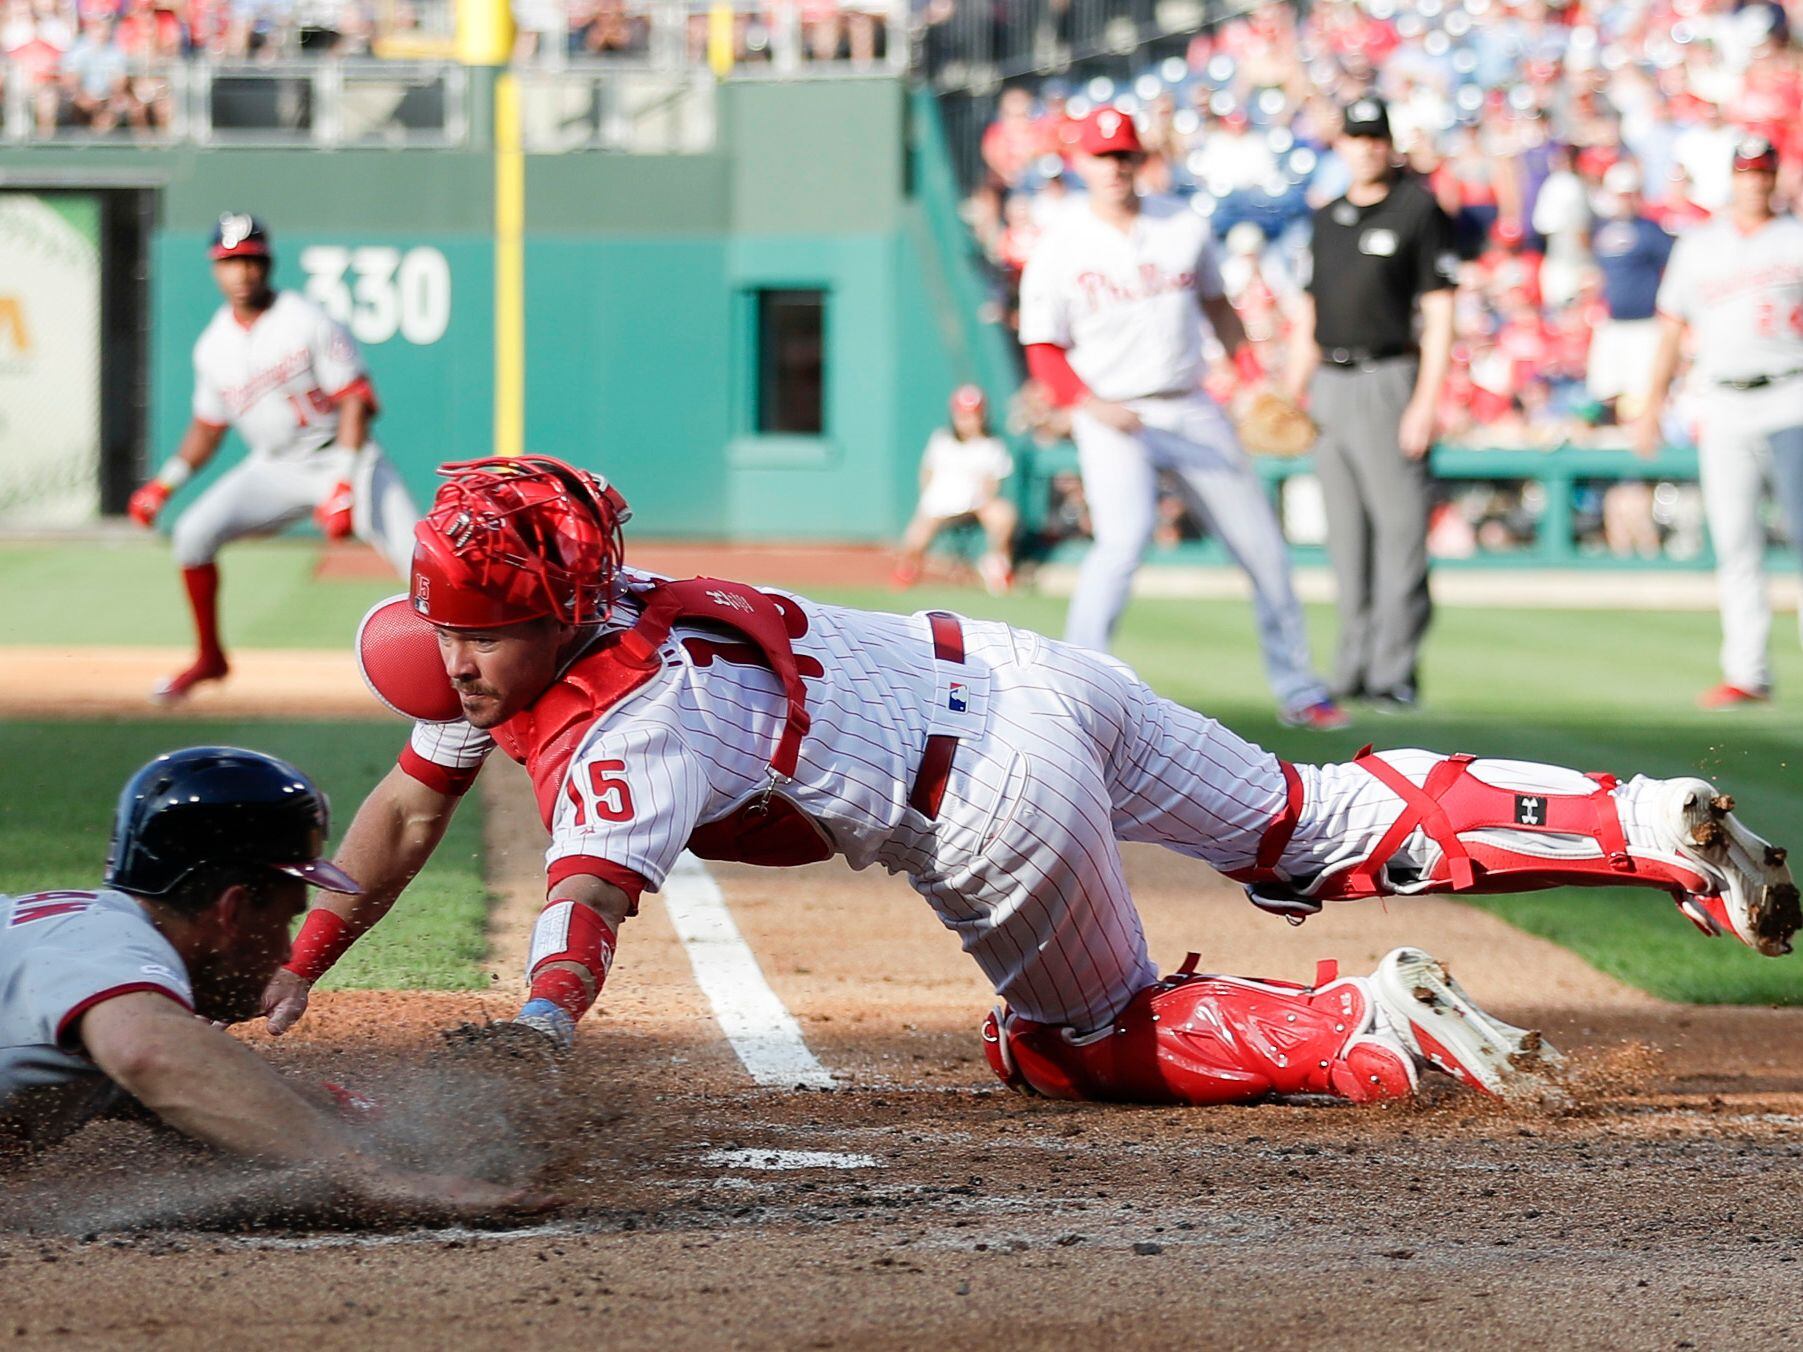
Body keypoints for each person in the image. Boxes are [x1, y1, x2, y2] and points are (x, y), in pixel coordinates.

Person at [261, 455, 1798, 1111]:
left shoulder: (621, 723)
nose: (457, 660)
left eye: (485, 635)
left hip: (987, 795)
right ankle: (1638, 818)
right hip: (1024, 670)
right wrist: (306, 958)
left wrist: (539, 1027)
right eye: (451, 627)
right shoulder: (578, 599)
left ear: (556, 614)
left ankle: (1363, 1024)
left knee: (1065, 1043)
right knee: (1305, 819)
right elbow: (421, 789)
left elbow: (587, 892)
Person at [0, 745, 549, 1216]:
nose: (288, 949)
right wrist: (370, 1178)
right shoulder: (110, 949)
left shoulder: (87, 948)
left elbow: (228, 1093)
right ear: (233, 909)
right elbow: (155, 1054)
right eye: (285, 917)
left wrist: (413, 1137)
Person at [1017, 108, 1347, 732]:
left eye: (1124, 155)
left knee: (1263, 548)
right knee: (1121, 543)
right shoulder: (1060, 243)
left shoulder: (1182, 224)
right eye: (1103, 156)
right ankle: (1073, 687)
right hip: (1112, 411)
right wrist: (1088, 404)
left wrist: (1249, 377)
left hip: (1190, 402)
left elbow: (1218, 307)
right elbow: (1041, 345)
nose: (1115, 166)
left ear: (1141, 161)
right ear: (1081, 164)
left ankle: (1301, 689)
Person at [126, 213, 420, 702]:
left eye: (250, 260)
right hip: (275, 466)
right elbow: (208, 426)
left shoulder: (306, 319)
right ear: (214, 269)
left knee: (423, 564)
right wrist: (165, 483)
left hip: (344, 458)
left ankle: (466, 673)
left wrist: (344, 485)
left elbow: (357, 398)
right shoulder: (212, 346)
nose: (242, 272)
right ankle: (210, 658)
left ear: (268, 264)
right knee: (192, 535)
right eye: (230, 261)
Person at [1284, 97, 1459, 713]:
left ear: (1388, 144)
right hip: (1329, 382)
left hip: (1390, 377)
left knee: (1401, 535)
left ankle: (1394, 671)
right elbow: (1311, 313)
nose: (1364, 148)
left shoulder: (1417, 208)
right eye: (1354, 137)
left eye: (1373, 137)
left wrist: (1425, 401)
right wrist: (1288, 390)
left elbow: (1439, 313)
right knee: (1346, 540)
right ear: (1342, 146)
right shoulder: (1327, 216)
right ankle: (1350, 668)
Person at [1633, 136, 1803, 709]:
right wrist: (1651, 404)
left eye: (1763, 172)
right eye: (1746, 172)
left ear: (1775, 177)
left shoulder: (1796, 236)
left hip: (1792, 393)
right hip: (1725, 401)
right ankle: (1747, 672)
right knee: (1734, 540)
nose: (1754, 182)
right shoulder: (1700, 246)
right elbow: (1672, 329)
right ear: (1732, 177)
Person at [892, 385, 1017, 596]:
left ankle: (997, 566)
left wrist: (979, 500)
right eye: (962, 416)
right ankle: (909, 570)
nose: (967, 421)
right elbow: (927, 473)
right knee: (916, 536)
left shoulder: (992, 446)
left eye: (973, 416)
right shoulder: (941, 440)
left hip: (976, 505)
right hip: (940, 504)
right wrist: (928, 501)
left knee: (1003, 514)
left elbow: (992, 486)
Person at [1586, 162, 1674, 425]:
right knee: (1605, 392)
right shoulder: (1601, 230)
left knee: (1639, 395)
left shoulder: (1651, 231)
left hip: (1644, 324)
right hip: (1611, 323)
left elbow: (1671, 270)